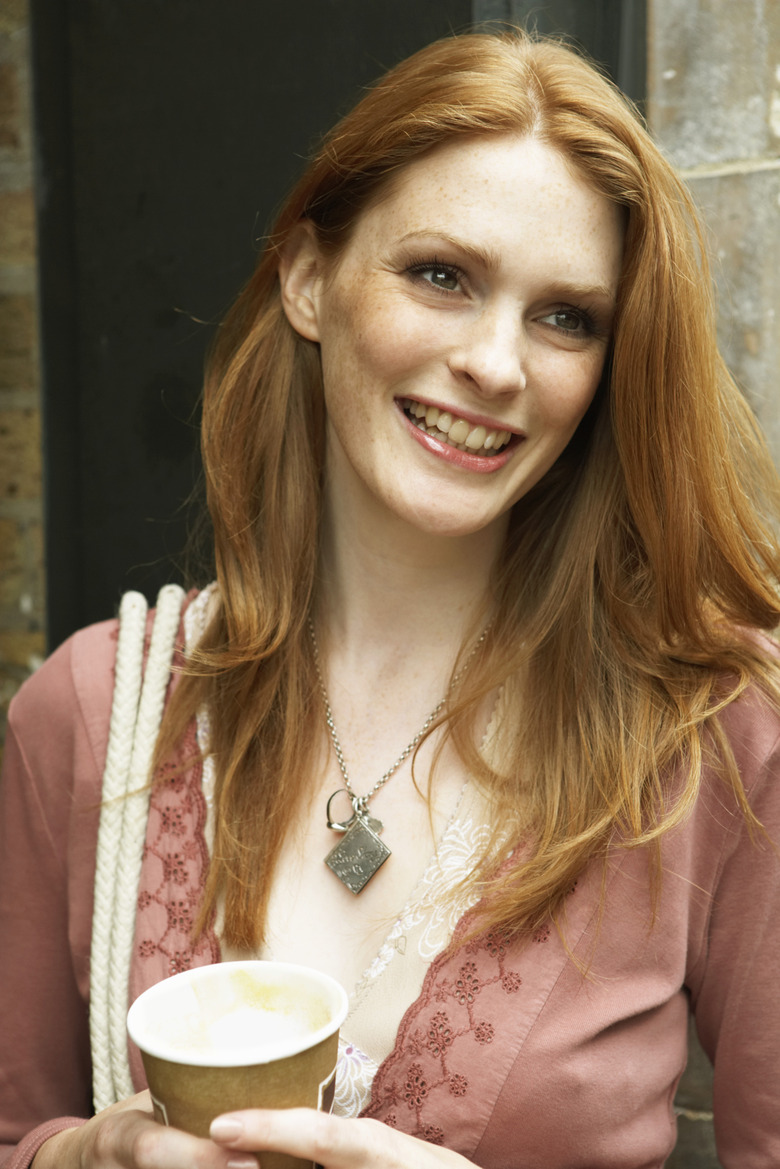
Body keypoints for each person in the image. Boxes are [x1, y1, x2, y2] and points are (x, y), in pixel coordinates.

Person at [1, 26, 779, 1169]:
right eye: (441, 276)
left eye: (566, 316)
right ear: (310, 280)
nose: (498, 363)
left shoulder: (716, 727)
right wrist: (86, 1155)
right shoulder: (90, 713)